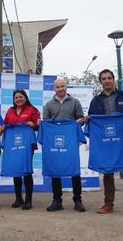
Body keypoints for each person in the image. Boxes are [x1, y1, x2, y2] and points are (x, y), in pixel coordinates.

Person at [84, 69, 123, 216]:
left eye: (109, 78)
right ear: (101, 82)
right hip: (105, 142)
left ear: (113, 79)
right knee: (107, 172)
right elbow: (91, 117)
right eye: (104, 79)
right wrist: (88, 119)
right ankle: (108, 204)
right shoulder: (95, 101)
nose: (107, 81)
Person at [42, 78, 86, 212]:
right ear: (54, 89)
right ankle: (57, 200)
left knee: (74, 170)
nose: (60, 89)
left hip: (71, 142)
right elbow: (46, 123)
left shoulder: (75, 102)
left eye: (62, 86)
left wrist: (78, 122)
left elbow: (82, 120)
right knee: (55, 169)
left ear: (66, 87)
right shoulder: (49, 105)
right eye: (58, 87)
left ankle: (78, 200)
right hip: (54, 142)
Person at [4, 89, 40, 210]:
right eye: (16, 97)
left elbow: (38, 125)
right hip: (13, 145)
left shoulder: (32, 109)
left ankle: (28, 200)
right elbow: (5, 125)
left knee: (26, 171)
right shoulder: (10, 111)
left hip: (27, 145)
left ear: (25, 97)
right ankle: (18, 199)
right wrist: (4, 127)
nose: (18, 99)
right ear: (13, 100)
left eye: (21, 97)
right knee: (16, 171)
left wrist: (33, 124)